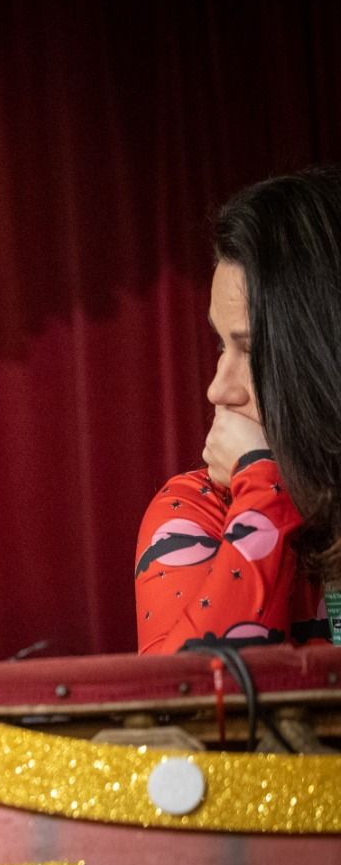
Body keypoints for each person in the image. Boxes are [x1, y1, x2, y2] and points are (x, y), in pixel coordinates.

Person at [135, 166, 341, 652]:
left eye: (251, 350)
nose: (217, 389)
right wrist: (266, 490)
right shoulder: (198, 508)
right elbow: (188, 705)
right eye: (221, 345)